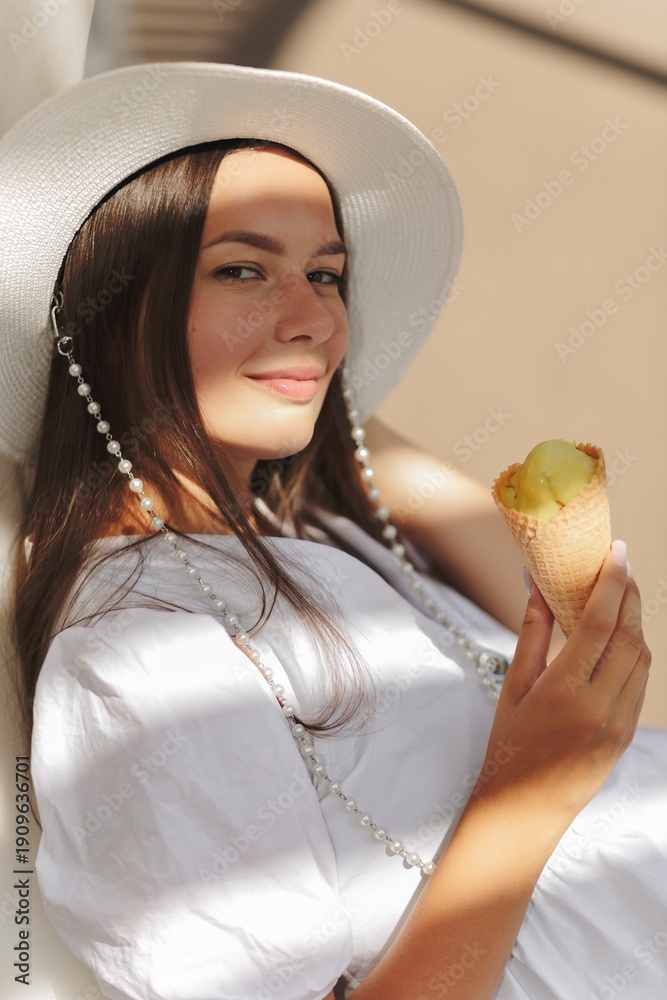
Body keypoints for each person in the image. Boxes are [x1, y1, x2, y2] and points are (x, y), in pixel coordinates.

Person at [1, 59, 665, 1000]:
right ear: (109, 309)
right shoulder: (138, 653)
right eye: (243, 269)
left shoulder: (319, 535)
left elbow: (516, 579)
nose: (313, 315)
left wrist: (307, 374)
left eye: (328, 274)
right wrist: (527, 794)